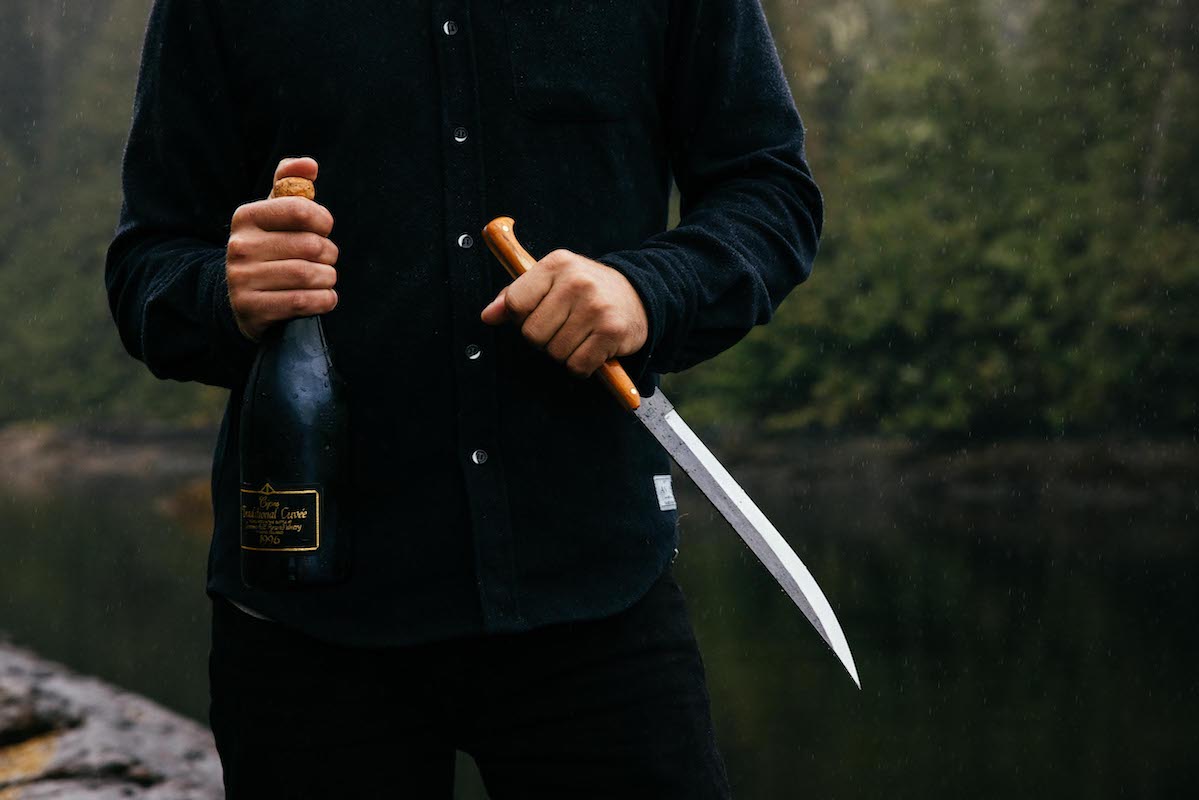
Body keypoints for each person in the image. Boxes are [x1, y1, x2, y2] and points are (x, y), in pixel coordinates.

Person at [105, 0, 823, 796]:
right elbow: (146, 264)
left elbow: (769, 192)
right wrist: (222, 294)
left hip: (595, 589)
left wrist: (648, 291)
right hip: (308, 619)